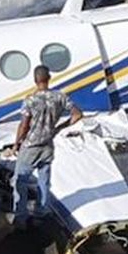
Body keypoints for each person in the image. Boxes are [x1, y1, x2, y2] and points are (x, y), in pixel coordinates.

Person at [11, 66, 82, 226]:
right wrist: (59, 128)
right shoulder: (60, 96)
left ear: (35, 80)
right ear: (49, 78)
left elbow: (24, 125)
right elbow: (77, 114)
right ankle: (41, 212)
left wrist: (16, 144)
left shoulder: (30, 100)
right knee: (44, 180)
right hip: (48, 144)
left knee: (20, 181)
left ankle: (21, 217)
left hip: (31, 145)